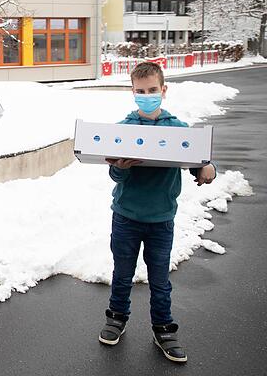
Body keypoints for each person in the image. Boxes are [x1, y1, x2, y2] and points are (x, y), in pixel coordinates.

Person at [98, 61, 216, 363]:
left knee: (160, 279)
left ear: (163, 91)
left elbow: (199, 162)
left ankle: (163, 328)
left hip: (161, 219)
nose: (146, 95)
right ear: (132, 92)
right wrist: (119, 169)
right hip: (125, 216)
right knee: (122, 273)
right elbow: (115, 175)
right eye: (140, 91)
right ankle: (117, 318)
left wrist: (207, 169)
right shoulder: (124, 129)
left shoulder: (178, 130)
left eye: (152, 90)